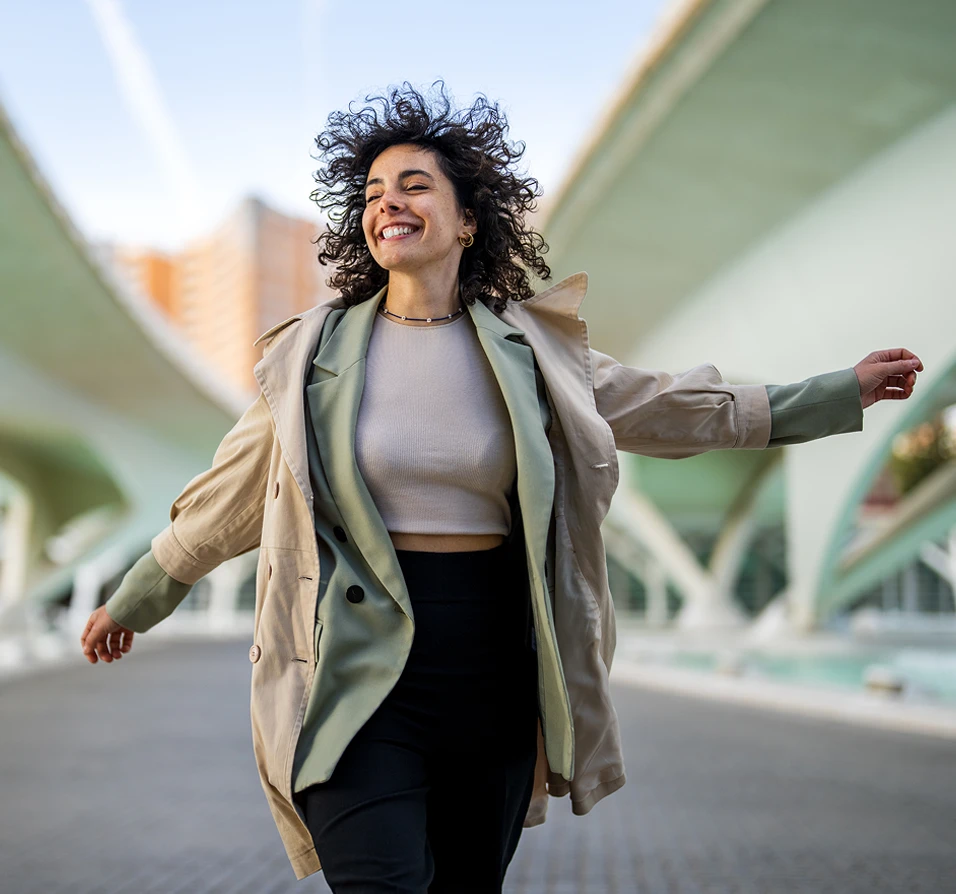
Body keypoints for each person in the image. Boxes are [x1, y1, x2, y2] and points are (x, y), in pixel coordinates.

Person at [80, 81, 923, 892]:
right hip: (351, 668)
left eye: (414, 186)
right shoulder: (312, 357)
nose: (388, 203)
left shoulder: (532, 352)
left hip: (493, 664)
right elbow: (227, 494)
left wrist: (834, 393)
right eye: (373, 193)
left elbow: (669, 406)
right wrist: (136, 598)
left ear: (468, 218)